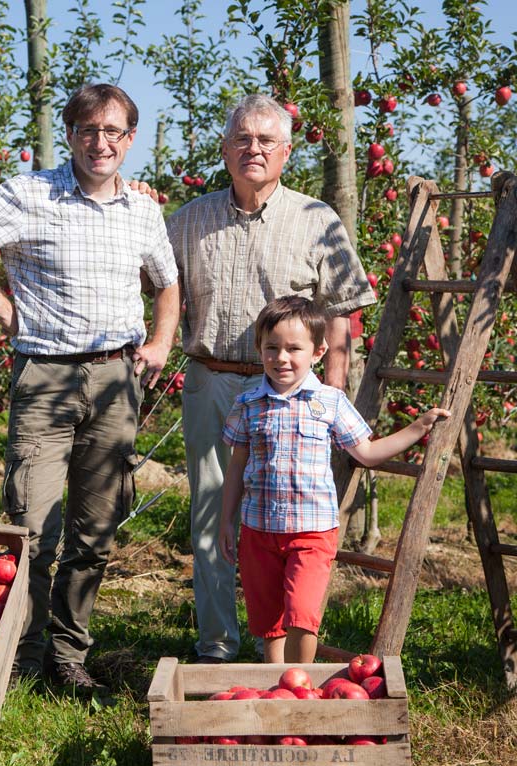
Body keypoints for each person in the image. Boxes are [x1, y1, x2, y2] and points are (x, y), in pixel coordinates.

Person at [0, 83, 180, 692]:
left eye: (113, 131)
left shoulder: (143, 209)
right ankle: (21, 651)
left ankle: (69, 654)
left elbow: (166, 283)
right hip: (44, 374)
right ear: (70, 135)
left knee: (96, 528)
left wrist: (162, 341)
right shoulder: (30, 193)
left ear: (130, 139)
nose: (101, 142)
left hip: (118, 377)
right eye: (88, 130)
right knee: (31, 526)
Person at [166, 93, 377, 663]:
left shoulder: (316, 220)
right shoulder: (187, 221)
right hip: (212, 380)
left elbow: (340, 311)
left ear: (287, 151)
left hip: (293, 394)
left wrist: (330, 389)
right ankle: (216, 643)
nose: (252, 149)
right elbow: (153, 281)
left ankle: (281, 649)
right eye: (241, 139)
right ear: (224, 149)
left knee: (294, 519)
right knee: (214, 512)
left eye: (265, 140)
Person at [218, 295, 450, 663]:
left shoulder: (330, 402)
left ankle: (298, 686)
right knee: (268, 623)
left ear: (318, 351)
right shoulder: (248, 404)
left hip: (312, 531)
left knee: (302, 615)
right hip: (259, 530)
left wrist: (417, 428)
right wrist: (226, 521)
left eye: (294, 348)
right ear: (259, 348)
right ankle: (276, 693)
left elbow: (367, 452)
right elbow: (236, 468)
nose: (281, 358)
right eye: (271, 347)